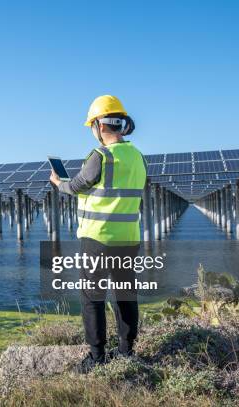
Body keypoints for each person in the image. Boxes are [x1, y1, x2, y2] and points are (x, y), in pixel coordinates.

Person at [49, 95, 147, 369]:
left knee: (92, 297)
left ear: (100, 126)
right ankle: (126, 352)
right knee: (125, 295)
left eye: (92, 125)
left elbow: (78, 185)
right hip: (129, 238)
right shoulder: (138, 156)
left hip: (98, 239)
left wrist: (59, 183)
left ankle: (97, 358)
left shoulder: (100, 156)